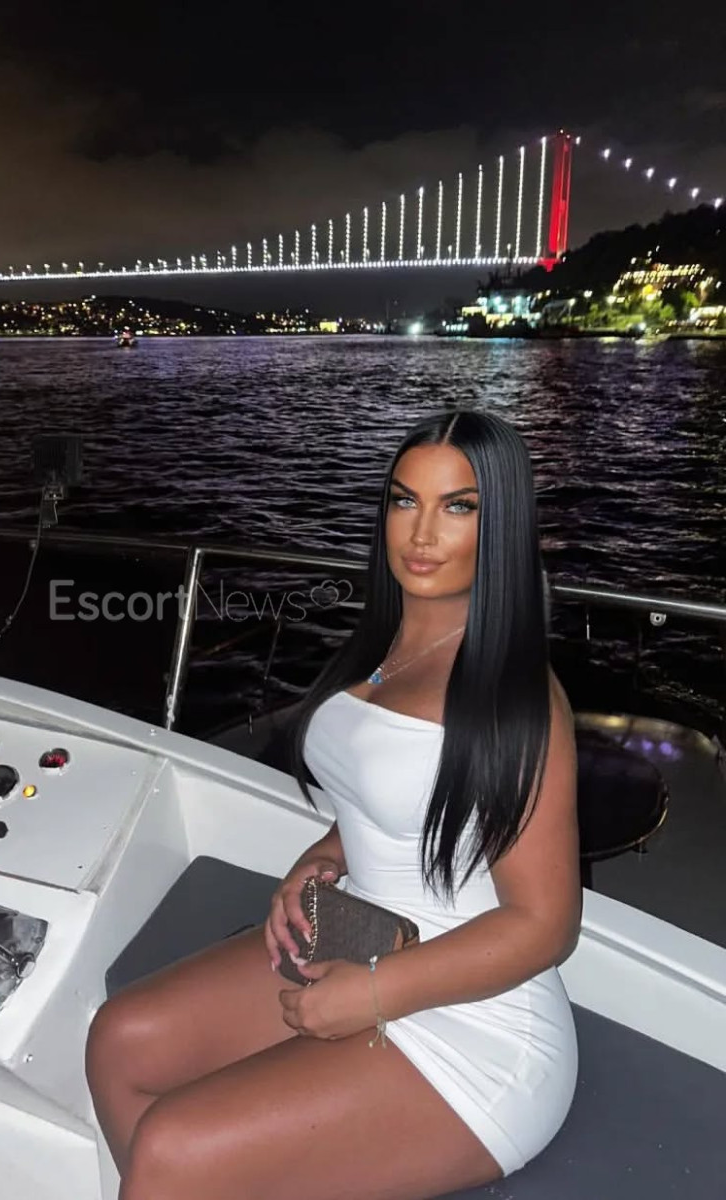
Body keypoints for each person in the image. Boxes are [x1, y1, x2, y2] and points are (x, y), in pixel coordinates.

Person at [86, 408, 581, 1199]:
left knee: (170, 1149)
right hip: (364, 938)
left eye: (457, 507)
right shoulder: (388, 646)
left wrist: (375, 995)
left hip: (479, 1029)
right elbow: (396, 794)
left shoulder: (513, 697)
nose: (421, 533)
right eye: (403, 500)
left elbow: (543, 925)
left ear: (502, 526)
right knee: (119, 1043)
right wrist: (323, 855)